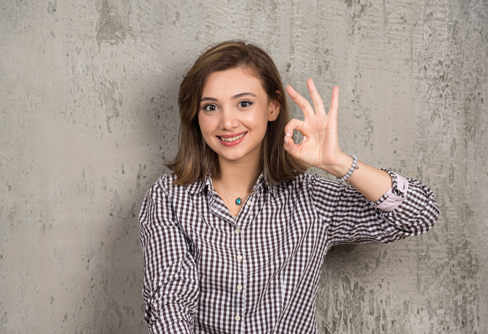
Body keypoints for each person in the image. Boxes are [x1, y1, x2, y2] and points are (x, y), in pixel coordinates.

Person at [138, 40, 439, 334]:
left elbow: (420, 214)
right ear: (196, 115)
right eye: (211, 107)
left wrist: (339, 164)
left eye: (244, 103)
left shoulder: (312, 198)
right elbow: (170, 305)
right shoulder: (170, 197)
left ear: (272, 107)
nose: (227, 122)